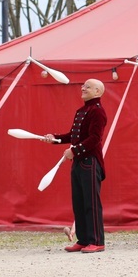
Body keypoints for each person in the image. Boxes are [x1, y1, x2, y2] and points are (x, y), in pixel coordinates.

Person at [43, 79, 108, 253]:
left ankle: (97, 241)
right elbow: (73, 135)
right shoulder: (81, 111)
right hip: (78, 162)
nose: (83, 87)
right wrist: (55, 138)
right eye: (83, 85)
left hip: (90, 162)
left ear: (97, 92)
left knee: (91, 203)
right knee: (79, 202)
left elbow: (95, 139)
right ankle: (84, 239)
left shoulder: (98, 112)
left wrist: (75, 150)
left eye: (88, 86)